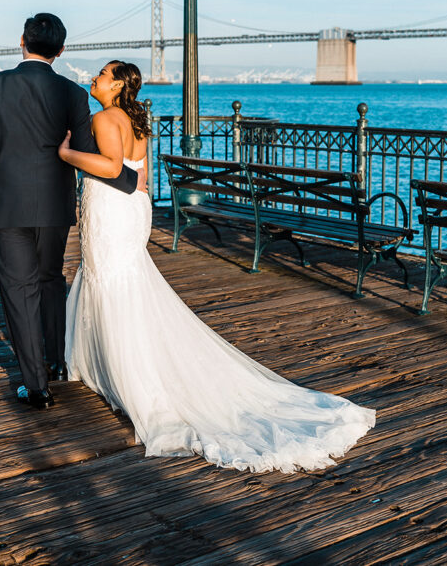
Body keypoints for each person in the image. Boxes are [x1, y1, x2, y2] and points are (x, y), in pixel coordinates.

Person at [58, 60, 375, 473]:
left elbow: (114, 169)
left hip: (113, 210)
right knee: (126, 284)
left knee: (114, 286)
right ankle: (117, 364)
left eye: (102, 74)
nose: (94, 78)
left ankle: (127, 376)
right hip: (133, 210)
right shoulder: (135, 119)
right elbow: (142, 179)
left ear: (117, 85)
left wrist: (68, 154)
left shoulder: (105, 118)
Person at [0, 14, 144, 410]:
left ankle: (37, 385)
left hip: (4, 206)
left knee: (19, 291)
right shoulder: (73, 94)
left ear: (21, 41)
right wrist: (132, 179)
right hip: (56, 206)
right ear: (60, 51)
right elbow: (90, 154)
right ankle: (58, 363)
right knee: (50, 280)